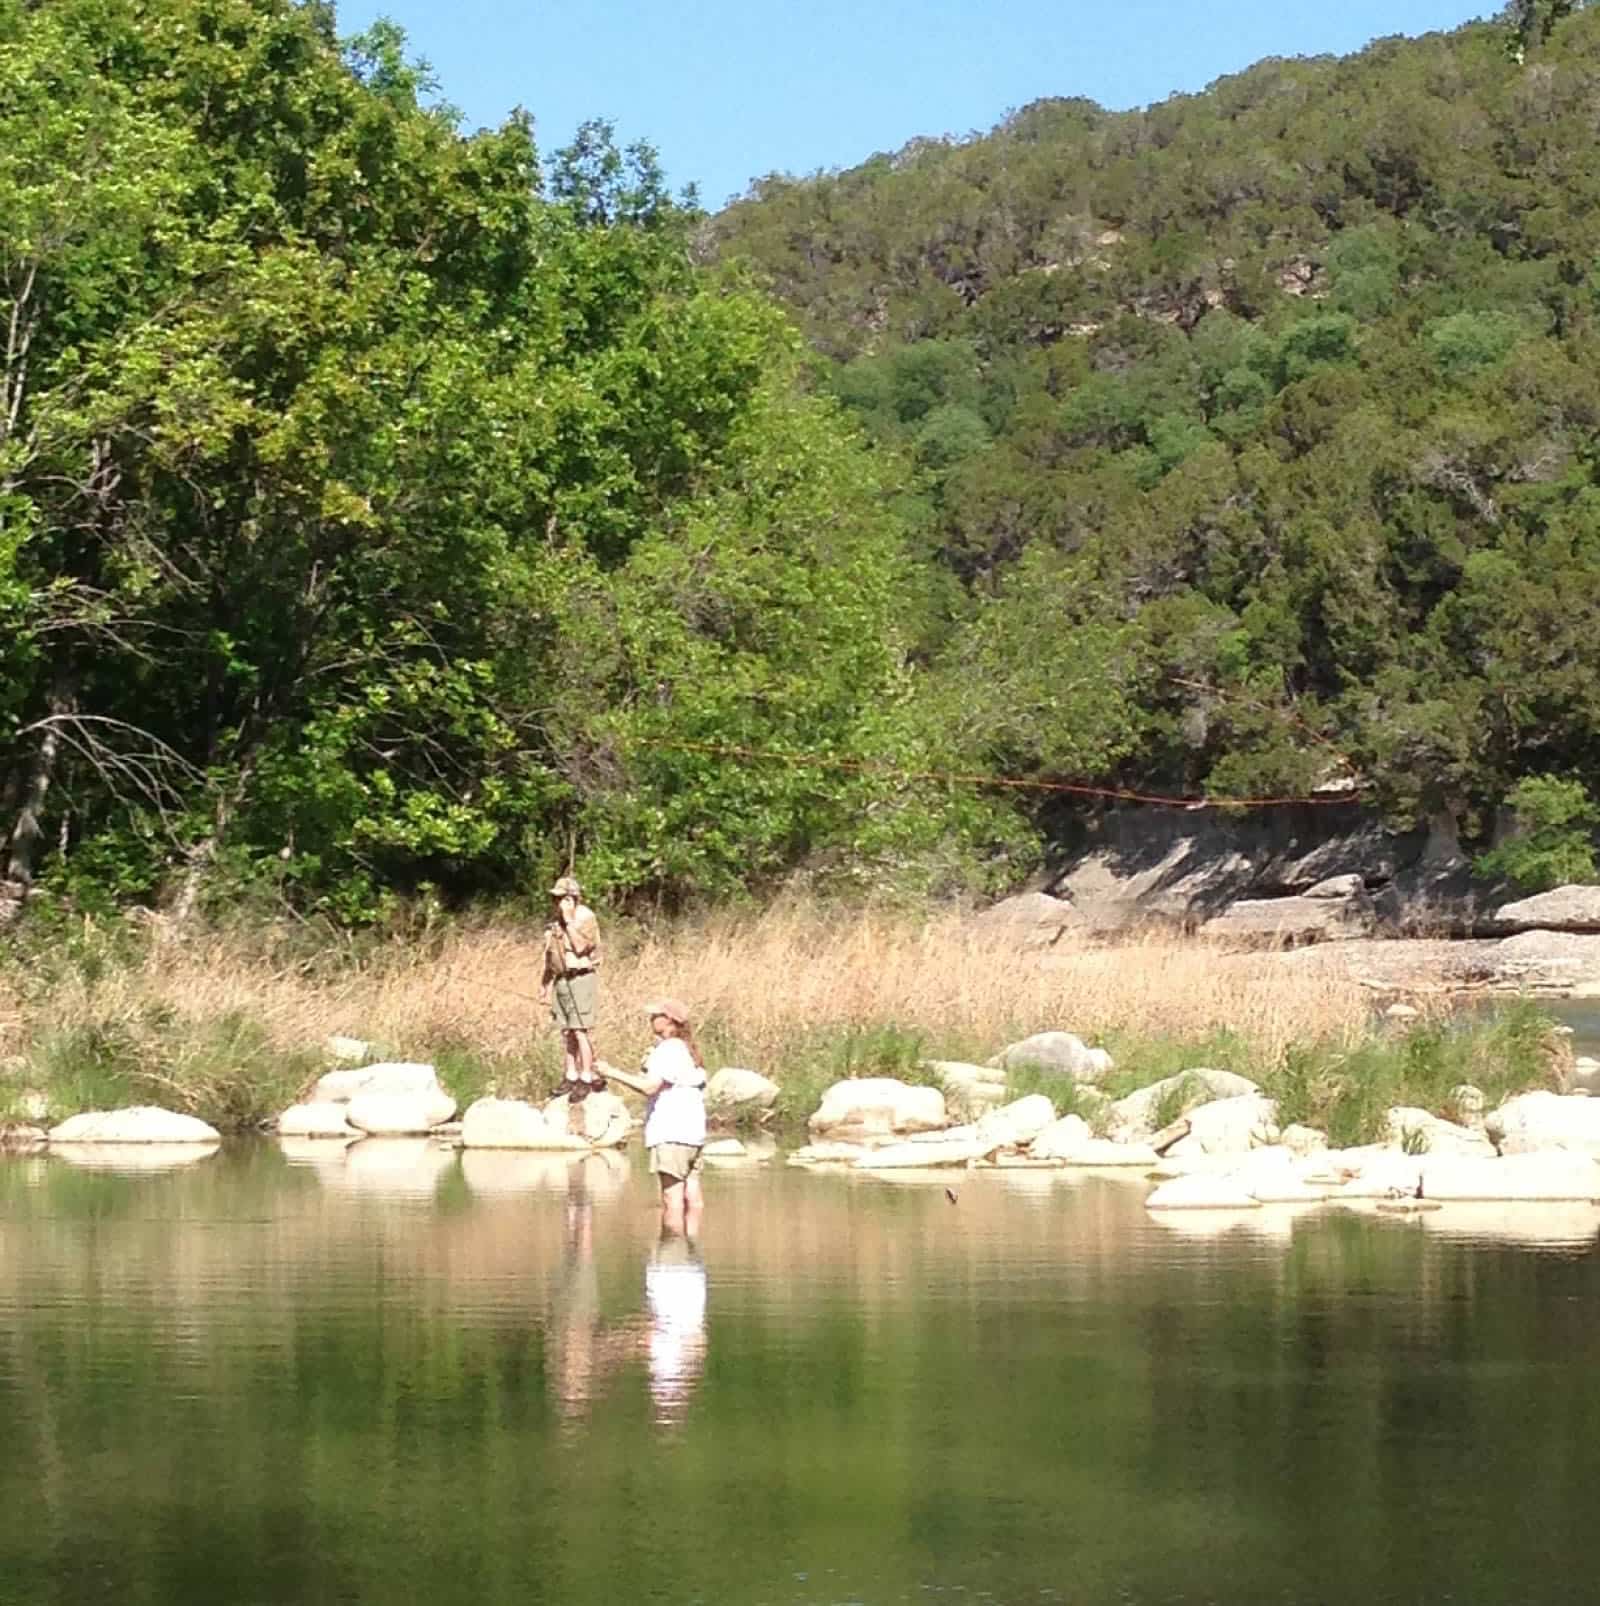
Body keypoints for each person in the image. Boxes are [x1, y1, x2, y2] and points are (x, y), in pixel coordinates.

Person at [598, 998, 707, 1234]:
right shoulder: (687, 1050)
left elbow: (650, 1088)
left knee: (672, 1198)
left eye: (655, 1015)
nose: (650, 1019)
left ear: (669, 1022)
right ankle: (691, 1250)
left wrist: (611, 1073)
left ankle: (674, 1256)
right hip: (694, 1133)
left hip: (671, 1132)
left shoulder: (667, 1050)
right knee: (692, 1193)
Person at [541, 874, 604, 1100]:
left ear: (573, 899)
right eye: (556, 899)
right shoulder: (554, 923)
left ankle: (587, 1077)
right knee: (566, 1031)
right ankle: (570, 1075)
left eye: (563, 898)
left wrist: (568, 920)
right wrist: (545, 984)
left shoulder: (585, 919)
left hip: (581, 978)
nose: (558, 903)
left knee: (580, 1030)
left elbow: (580, 947)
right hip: (562, 981)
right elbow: (551, 957)